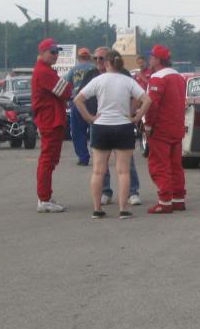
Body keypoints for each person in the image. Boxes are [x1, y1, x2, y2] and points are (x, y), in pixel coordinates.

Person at [74, 50, 152, 219]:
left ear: (107, 63)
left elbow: (77, 99)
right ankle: (123, 208)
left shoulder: (98, 80)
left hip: (101, 126)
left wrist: (89, 117)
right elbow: (147, 99)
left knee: (98, 171)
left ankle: (97, 209)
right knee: (123, 171)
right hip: (123, 126)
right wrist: (136, 117)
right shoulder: (127, 81)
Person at [144, 45, 187, 214]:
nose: (149, 59)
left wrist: (148, 125)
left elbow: (152, 105)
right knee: (176, 165)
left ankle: (165, 201)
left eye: (151, 56)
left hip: (161, 128)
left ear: (157, 59)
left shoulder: (157, 78)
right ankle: (178, 199)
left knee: (159, 165)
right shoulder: (178, 76)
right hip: (176, 126)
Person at [32, 38, 73, 212]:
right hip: (50, 120)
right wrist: (68, 87)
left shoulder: (46, 70)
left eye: (57, 52)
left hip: (51, 119)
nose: (56, 55)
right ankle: (44, 199)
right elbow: (66, 91)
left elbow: (64, 90)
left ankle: (45, 196)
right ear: (42, 53)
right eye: (52, 52)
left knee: (49, 160)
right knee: (48, 160)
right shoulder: (44, 72)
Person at [65, 47, 95, 165]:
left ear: (78, 58)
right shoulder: (94, 68)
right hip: (93, 102)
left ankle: (83, 157)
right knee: (95, 128)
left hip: (77, 102)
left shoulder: (73, 70)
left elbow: (68, 86)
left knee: (78, 131)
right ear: (89, 57)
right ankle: (98, 154)